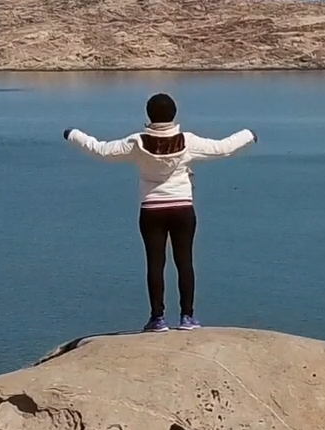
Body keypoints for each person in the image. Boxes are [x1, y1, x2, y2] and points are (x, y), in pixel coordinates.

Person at [66, 93, 256, 332]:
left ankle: (158, 319)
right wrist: (248, 135)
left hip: (152, 209)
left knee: (155, 264)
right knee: (184, 262)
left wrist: (73, 134)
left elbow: (101, 150)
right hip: (182, 209)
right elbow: (222, 148)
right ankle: (187, 318)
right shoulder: (188, 141)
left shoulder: (137, 142)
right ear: (174, 113)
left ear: (149, 114)